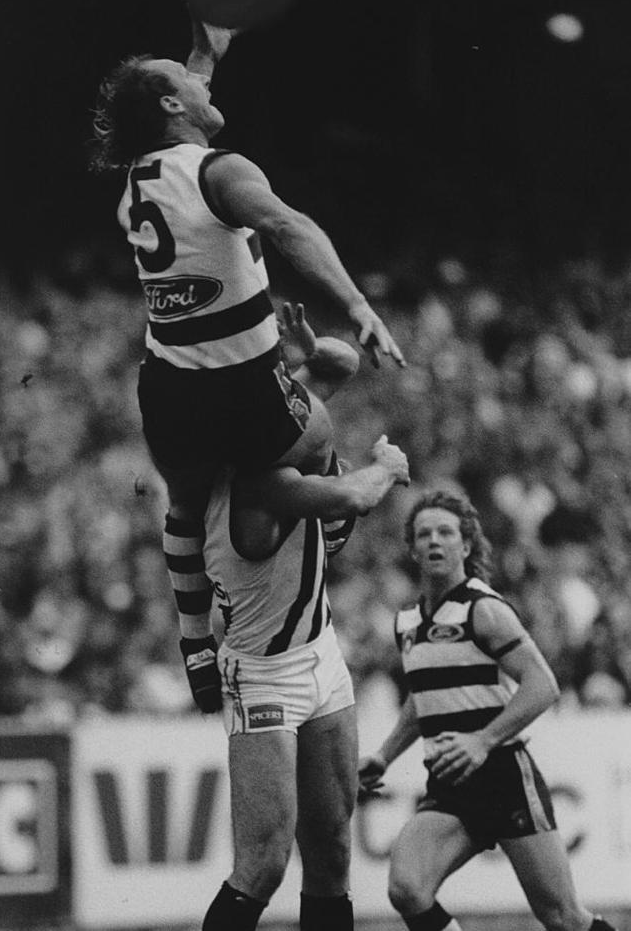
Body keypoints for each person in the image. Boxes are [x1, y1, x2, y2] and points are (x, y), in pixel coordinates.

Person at [90, 15, 405, 705]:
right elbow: (290, 227)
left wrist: (204, 52)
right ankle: (333, 511)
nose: (198, 82)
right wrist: (355, 301)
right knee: (315, 432)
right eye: (186, 81)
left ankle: (196, 642)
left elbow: (178, 96)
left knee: (184, 500)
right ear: (175, 105)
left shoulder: (136, 179)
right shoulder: (221, 171)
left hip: (168, 384)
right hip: (240, 381)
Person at [195, 311, 410, 931]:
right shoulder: (261, 483)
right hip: (264, 674)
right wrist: (389, 467)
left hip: (320, 653)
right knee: (262, 865)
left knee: (332, 854)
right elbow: (356, 496)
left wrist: (309, 349)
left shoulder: (273, 434)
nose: (311, 414)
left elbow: (340, 364)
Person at [358, 489, 617, 931]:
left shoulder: (484, 610)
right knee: (407, 887)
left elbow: (543, 686)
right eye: (424, 534)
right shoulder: (407, 622)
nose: (434, 541)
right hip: (451, 780)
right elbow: (423, 699)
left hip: (502, 775)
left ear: (466, 544)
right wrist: (384, 755)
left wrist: (483, 740)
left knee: (563, 917)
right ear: (413, 549)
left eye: (445, 532)